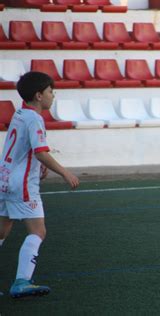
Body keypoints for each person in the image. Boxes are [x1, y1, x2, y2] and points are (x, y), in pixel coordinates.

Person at [0, 71, 80, 298]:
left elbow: (24, 148)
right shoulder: (35, 119)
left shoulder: (20, 114)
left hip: (4, 177)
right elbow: (41, 152)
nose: (53, 96)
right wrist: (65, 173)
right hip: (22, 183)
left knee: (2, 230)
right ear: (38, 95)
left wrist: (37, 163)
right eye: (50, 91)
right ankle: (22, 281)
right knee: (38, 231)